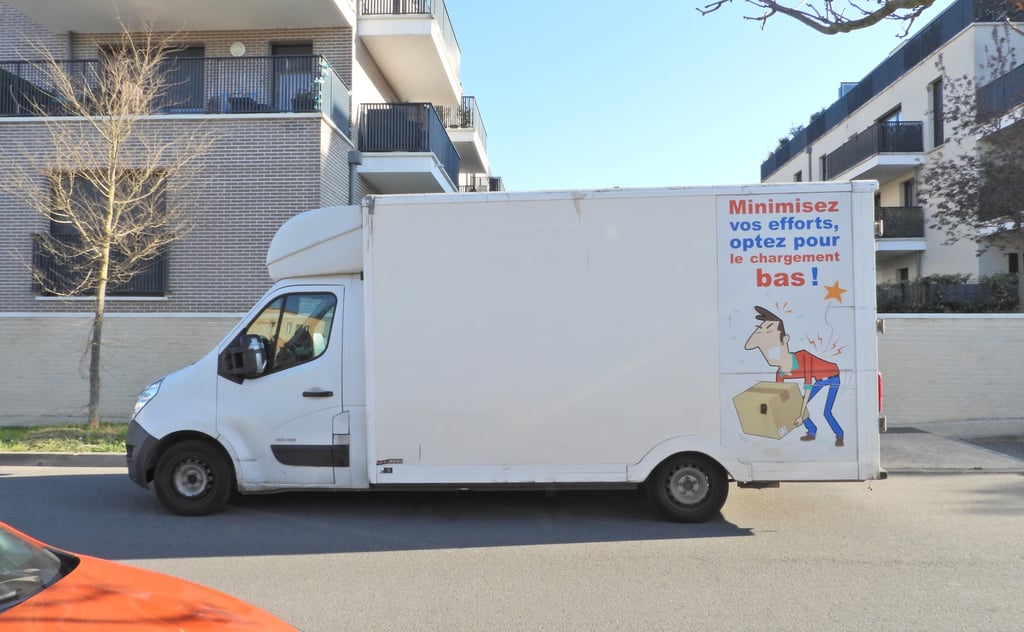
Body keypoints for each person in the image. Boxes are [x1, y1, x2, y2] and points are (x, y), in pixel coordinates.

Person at [743, 306, 845, 447]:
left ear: (785, 340)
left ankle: (839, 435)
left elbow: (807, 388)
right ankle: (812, 431)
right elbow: (780, 397)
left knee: (826, 411)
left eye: (772, 346)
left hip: (832, 376)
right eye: (763, 348)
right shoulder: (780, 373)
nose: (769, 353)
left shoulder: (804, 356)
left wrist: (799, 416)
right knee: (799, 406)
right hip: (819, 380)